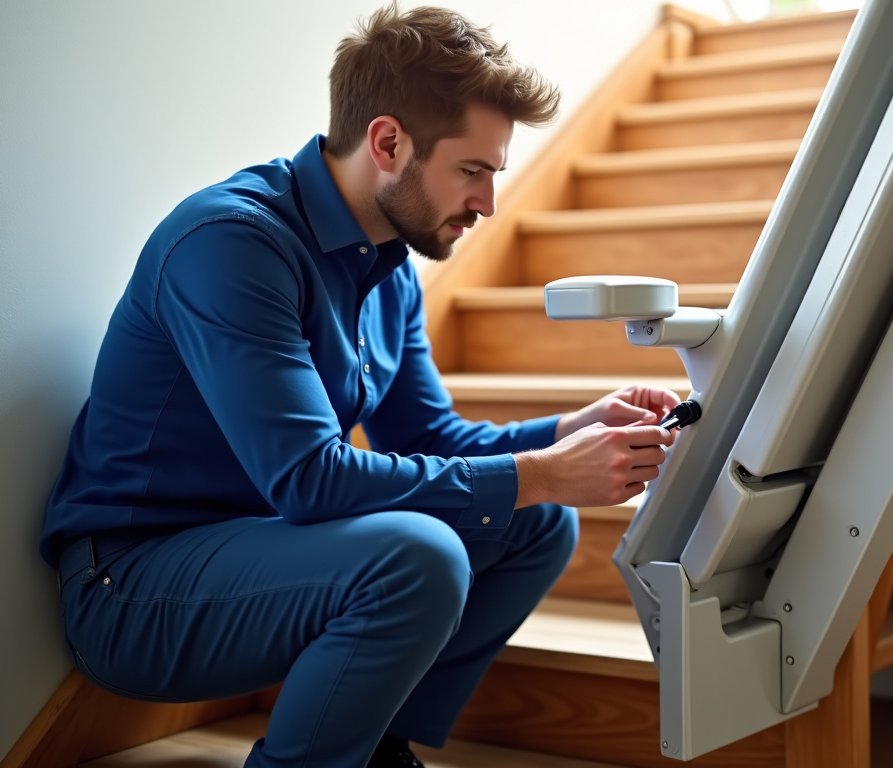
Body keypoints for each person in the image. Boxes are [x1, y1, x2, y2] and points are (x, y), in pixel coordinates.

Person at [40, 5, 678, 767]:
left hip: (268, 558)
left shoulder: (390, 270)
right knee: (420, 553)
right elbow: (309, 479)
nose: (489, 202)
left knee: (538, 522)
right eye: (472, 170)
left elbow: (431, 441)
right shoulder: (232, 243)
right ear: (388, 142)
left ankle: (375, 748)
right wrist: (536, 473)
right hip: (135, 587)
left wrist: (565, 434)